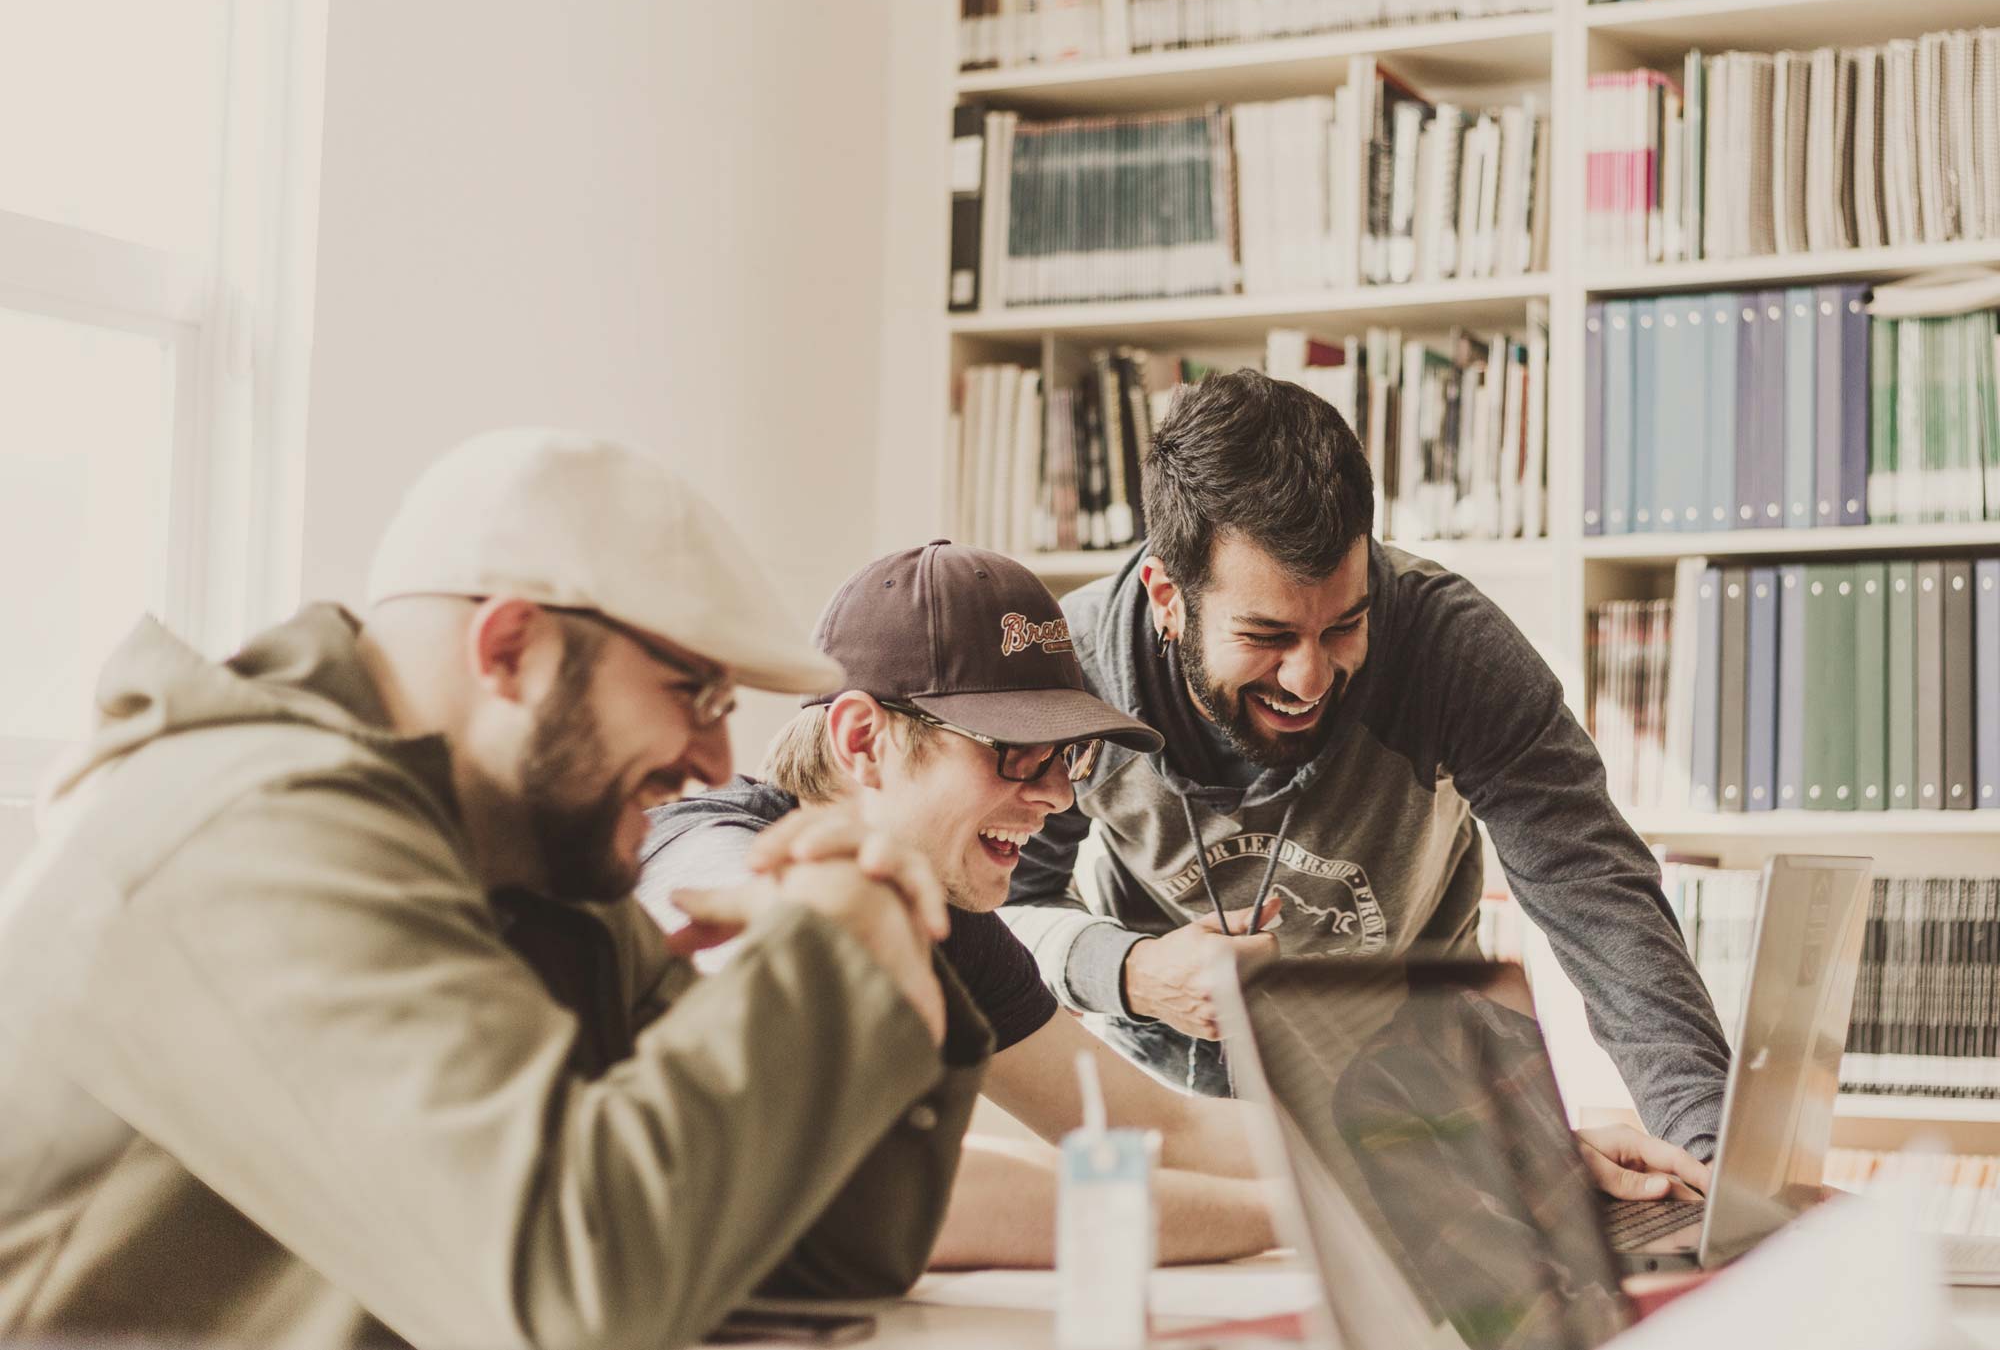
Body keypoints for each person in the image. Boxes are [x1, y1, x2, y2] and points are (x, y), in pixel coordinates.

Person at [0, 430, 986, 1350]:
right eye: (692, 691)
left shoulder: (533, 867)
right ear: (510, 647)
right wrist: (829, 957)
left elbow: (809, 1258)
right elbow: (569, 1298)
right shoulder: (255, 833)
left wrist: (885, 947)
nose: (716, 757)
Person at [642, 543, 1707, 1271]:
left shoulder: (945, 913)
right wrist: (1372, 1209)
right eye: (1014, 753)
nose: (1058, 795)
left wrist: (1493, 1154)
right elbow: (887, 1191)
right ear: (863, 739)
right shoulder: (713, 866)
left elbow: (1153, 1126)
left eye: (1066, 758)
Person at [1002, 369, 1733, 1165]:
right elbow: (1000, 912)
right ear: (1167, 596)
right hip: (1168, 1116)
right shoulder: (1072, 675)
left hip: (1414, 1104)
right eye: (1268, 636)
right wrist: (1131, 970)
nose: (1309, 678)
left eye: (1344, 625)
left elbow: (1600, 898)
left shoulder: (1451, 649)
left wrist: (1709, 1156)